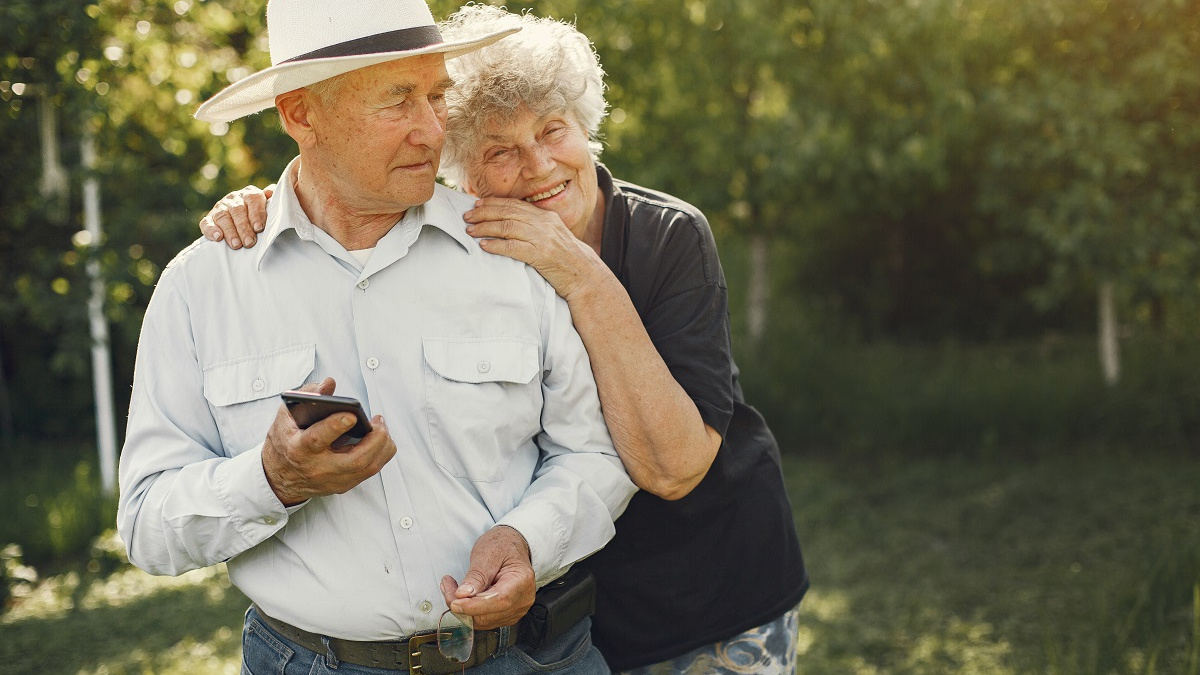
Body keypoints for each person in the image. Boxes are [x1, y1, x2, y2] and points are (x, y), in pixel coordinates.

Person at [200, 5, 809, 675]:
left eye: (553, 130)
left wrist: (581, 274)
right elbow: (343, 197)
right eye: (499, 150)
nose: (539, 165)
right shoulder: (469, 249)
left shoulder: (669, 236)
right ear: (457, 171)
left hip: (709, 596)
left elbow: (674, 467)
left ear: (585, 127)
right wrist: (272, 204)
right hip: (563, 618)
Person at [117, 2, 637, 674]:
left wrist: (527, 538)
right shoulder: (201, 288)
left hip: (533, 658)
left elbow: (595, 452)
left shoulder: (512, 249)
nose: (432, 130)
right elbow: (147, 525)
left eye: (436, 95)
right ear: (303, 114)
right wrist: (271, 478)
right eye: (398, 101)